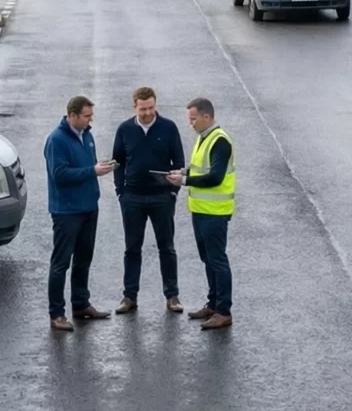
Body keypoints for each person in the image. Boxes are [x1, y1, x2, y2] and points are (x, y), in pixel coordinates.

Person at [111, 86, 186, 315]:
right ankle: (129, 296)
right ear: (135, 106)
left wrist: (172, 194)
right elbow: (118, 162)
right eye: (143, 109)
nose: (147, 113)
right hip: (132, 197)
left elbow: (178, 161)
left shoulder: (169, 127)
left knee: (167, 247)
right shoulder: (124, 129)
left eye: (151, 108)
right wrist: (120, 192)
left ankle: (172, 296)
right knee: (132, 248)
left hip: (161, 197)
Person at [44, 95, 116, 331]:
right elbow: (60, 175)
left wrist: (98, 167)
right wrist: (92, 171)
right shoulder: (57, 140)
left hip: (88, 208)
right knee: (61, 263)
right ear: (72, 116)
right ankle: (56, 314)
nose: (90, 120)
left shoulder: (87, 135)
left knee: (84, 260)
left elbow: (88, 167)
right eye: (86, 116)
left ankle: (81, 304)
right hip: (66, 212)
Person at [167, 97, 235, 331]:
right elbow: (200, 169)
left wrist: (184, 180)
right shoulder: (203, 138)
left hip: (215, 213)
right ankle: (213, 304)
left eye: (193, 119)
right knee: (208, 259)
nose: (191, 124)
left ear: (207, 117)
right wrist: (183, 172)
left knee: (217, 260)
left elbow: (215, 177)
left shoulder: (220, 141)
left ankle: (224, 311)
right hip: (201, 211)